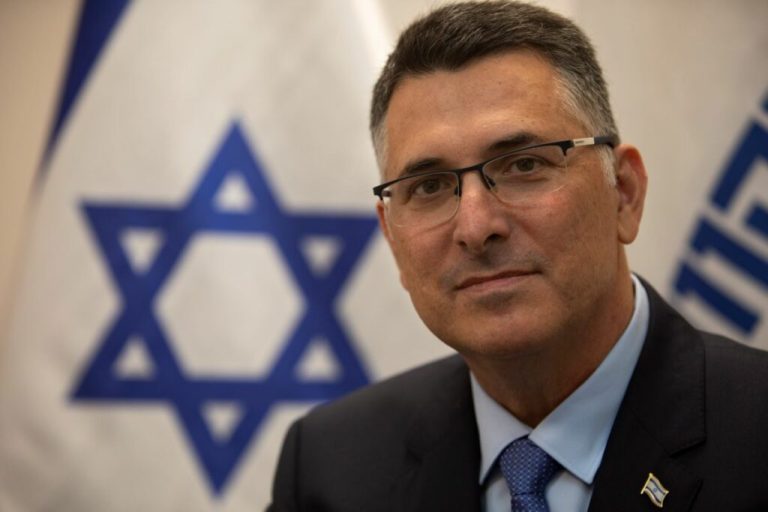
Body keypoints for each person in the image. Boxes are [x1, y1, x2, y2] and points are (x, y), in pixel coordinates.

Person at [268, 2, 768, 510]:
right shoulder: (330, 470)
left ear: (624, 193)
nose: (476, 228)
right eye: (430, 186)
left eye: (524, 165)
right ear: (392, 238)